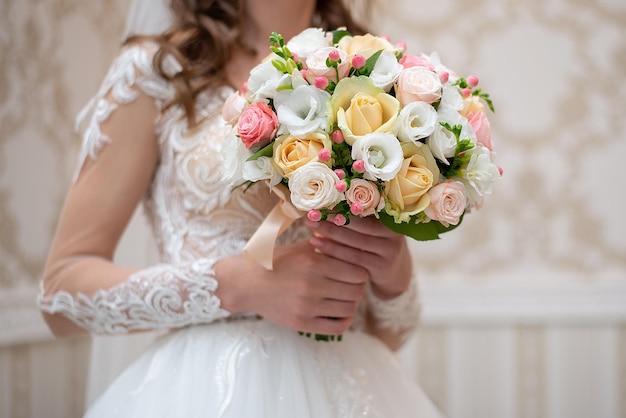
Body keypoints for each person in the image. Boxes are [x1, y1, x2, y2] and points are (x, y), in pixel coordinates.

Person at [38, 0, 444, 416]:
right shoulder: (159, 70)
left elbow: (388, 333)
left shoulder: (371, 73)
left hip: (356, 388)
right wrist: (235, 285)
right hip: (206, 391)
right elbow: (60, 296)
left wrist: (394, 275)